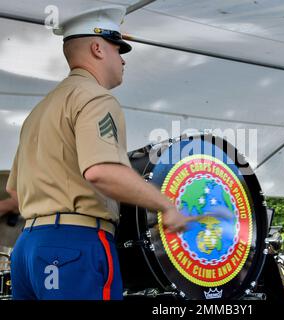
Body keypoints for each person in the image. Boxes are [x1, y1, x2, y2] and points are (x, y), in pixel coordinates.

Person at [6, 5, 191, 300]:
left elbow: (14, 194)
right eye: (119, 50)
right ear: (97, 48)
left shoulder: (39, 112)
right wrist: (167, 206)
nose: (122, 60)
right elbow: (101, 171)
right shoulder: (95, 98)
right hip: (74, 246)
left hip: (28, 248)